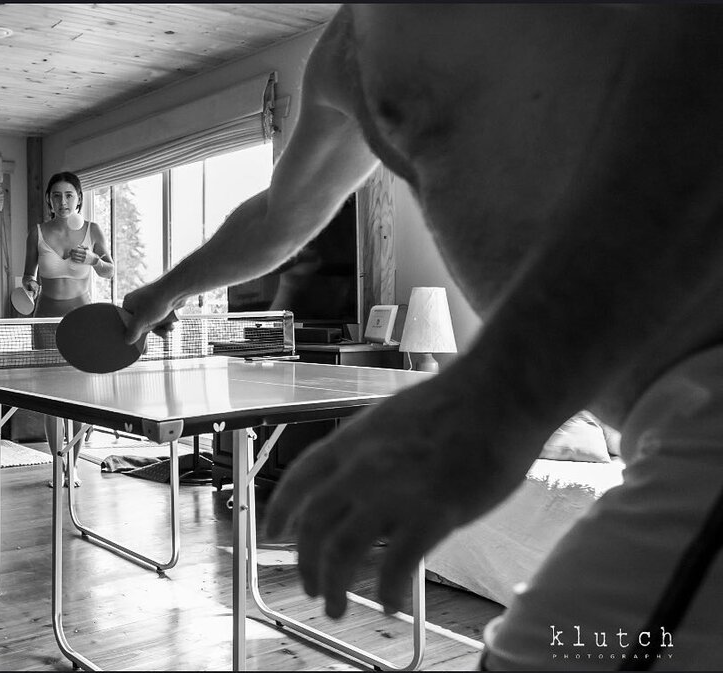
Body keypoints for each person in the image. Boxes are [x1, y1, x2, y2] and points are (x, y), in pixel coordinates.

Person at [122, 5, 723, 669]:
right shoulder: (346, 52)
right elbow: (278, 217)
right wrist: (162, 292)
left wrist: (502, 391)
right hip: (663, 423)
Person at [23, 171, 114, 486]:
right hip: (45, 320)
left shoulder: (93, 231)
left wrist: (93, 260)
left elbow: (110, 271)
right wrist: (29, 285)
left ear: (79, 198)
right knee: (51, 399)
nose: (62, 201)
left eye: (69, 195)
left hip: (82, 320)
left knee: (76, 398)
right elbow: (28, 276)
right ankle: (57, 463)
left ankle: (72, 466)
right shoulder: (36, 233)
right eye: (56, 195)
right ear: (49, 199)